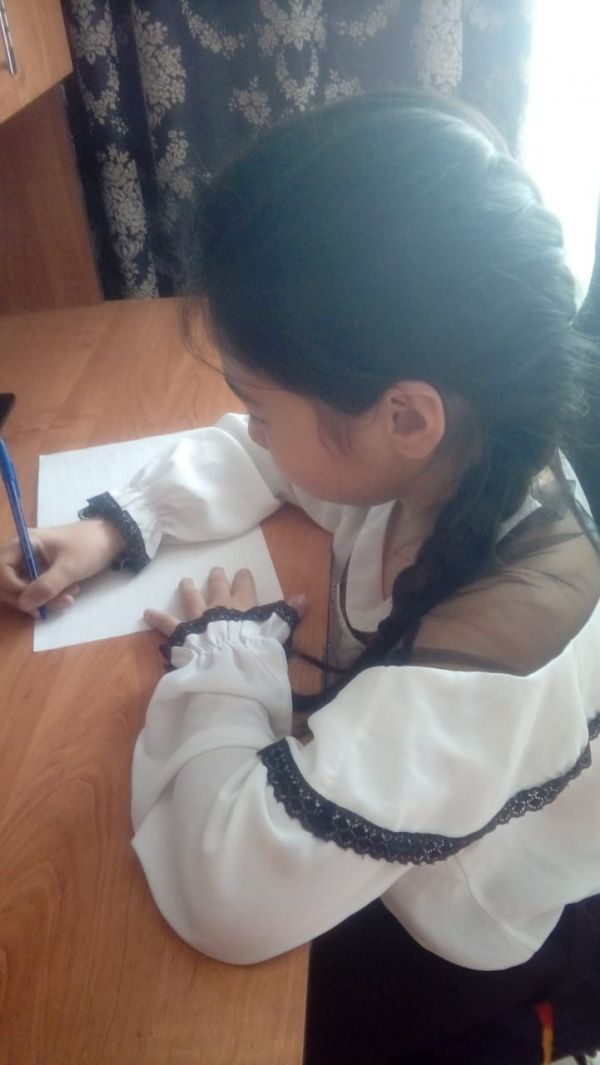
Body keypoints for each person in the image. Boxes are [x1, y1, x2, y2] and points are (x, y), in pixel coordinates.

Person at [2, 91, 600, 1064]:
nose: (255, 428)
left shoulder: (489, 665)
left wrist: (226, 661)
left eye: (263, 405)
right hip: (399, 813)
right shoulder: (462, 447)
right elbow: (279, 457)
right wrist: (118, 523)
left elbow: (229, 894)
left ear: (404, 417)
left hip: (453, 922)